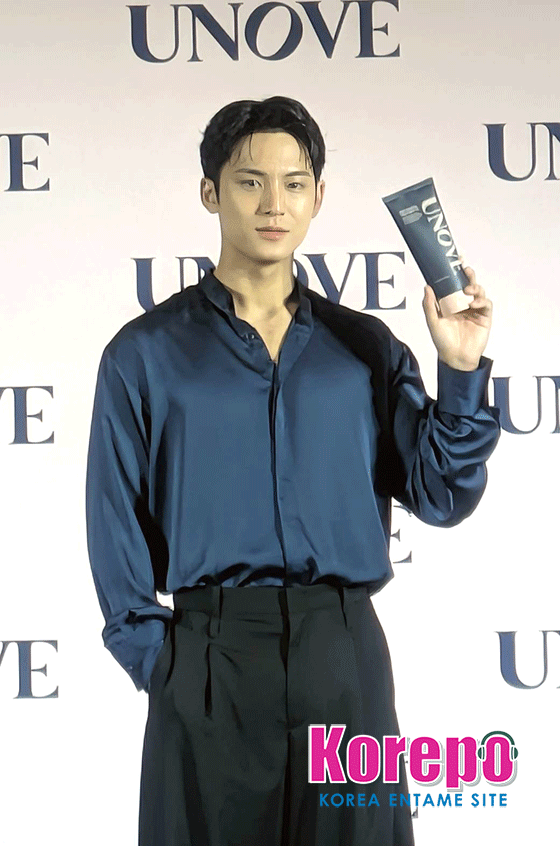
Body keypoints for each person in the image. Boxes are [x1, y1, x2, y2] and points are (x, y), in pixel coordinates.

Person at [85, 95, 501, 846]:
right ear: (210, 191)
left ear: (318, 197)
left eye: (295, 183)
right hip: (207, 662)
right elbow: (114, 523)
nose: (274, 204)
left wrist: (461, 367)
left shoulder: (365, 349)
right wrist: (164, 667)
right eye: (250, 182)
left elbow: (442, 495)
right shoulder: (144, 354)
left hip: (342, 659)